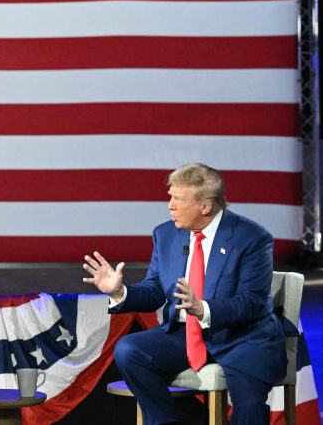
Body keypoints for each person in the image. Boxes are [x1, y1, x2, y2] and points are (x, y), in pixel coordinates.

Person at [82, 163, 286, 425]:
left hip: (242, 337)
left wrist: (203, 309)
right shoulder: (166, 234)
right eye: (170, 197)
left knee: (249, 406)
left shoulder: (251, 238)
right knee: (130, 351)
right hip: (184, 335)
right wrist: (121, 292)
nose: (170, 206)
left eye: (178, 199)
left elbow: (252, 303)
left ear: (205, 206)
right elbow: (155, 291)